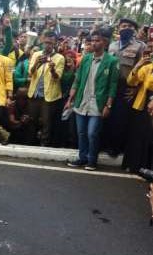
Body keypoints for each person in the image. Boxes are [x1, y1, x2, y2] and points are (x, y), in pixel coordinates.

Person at [65, 30, 119, 171]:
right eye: (92, 41)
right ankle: (82, 158)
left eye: (98, 40)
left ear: (105, 43)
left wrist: (108, 105)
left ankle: (92, 160)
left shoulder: (111, 61)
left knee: (92, 133)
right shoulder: (86, 58)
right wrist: (71, 98)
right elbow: (77, 79)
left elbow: (113, 85)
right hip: (82, 102)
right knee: (81, 133)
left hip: (98, 104)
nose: (94, 43)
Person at [104, 18, 146, 157]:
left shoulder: (140, 46)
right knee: (107, 116)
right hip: (111, 85)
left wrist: (136, 88)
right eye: (123, 26)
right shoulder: (112, 45)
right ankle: (107, 144)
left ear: (134, 30)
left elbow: (144, 69)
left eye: (129, 26)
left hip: (128, 87)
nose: (126, 28)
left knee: (121, 119)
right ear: (118, 28)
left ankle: (117, 148)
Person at [27, 31, 65, 146]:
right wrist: (36, 64)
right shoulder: (36, 54)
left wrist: (53, 69)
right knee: (31, 120)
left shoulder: (59, 58)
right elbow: (30, 73)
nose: (48, 45)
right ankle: (30, 144)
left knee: (46, 123)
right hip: (34, 94)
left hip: (49, 96)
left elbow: (57, 78)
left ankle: (44, 145)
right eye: (46, 42)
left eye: (50, 43)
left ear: (55, 43)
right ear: (43, 41)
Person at [122, 45, 153, 172]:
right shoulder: (147, 67)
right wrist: (138, 65)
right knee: (137, 135)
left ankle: (147, 167)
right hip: (141, 103)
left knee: (150, 137)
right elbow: (131, 82)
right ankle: (134, 166)